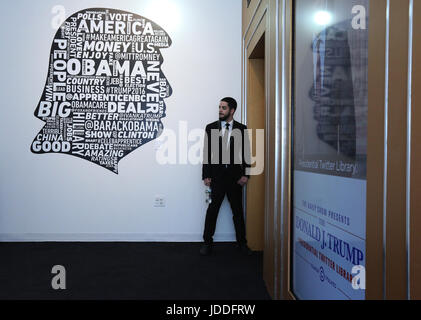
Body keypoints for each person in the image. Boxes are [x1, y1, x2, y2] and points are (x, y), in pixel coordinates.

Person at [200, 97, 252, 256]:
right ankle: (207, 243)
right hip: (216, 178)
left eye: (223, 108)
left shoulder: (242, 129)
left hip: (236, 179)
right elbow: (207, 153)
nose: (220, 110)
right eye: (219, 107)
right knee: (212, 211)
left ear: (232, 110)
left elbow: (247, 154)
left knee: (237, 211)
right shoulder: (211, 128)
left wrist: (246, 175)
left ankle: (242, 243)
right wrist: (206, 175)